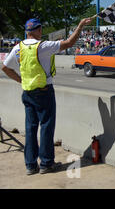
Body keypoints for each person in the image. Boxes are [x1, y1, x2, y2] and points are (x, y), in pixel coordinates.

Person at [1, 17, 92, 175]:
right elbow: (69, 43)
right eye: (40, 29)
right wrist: (80, 26)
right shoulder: (43, 46)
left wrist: (21, 80)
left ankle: (30, 165)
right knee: (47, 127)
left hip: (27, 91)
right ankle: (46, 164)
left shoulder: (18, 47)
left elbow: (5, 68)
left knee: (30, 128)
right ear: (38, 30)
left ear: (26, 32)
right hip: (44, 91)